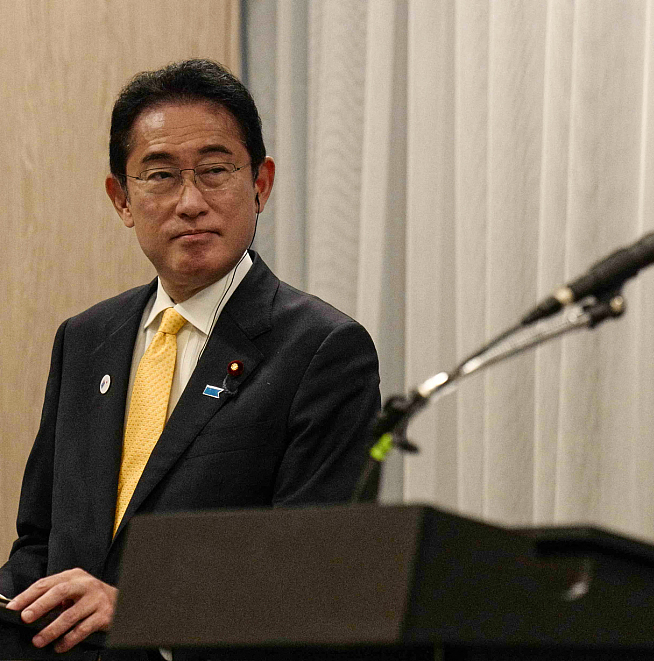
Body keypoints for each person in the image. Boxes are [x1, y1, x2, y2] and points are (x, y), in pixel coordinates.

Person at [0, 59, 381, 654]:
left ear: (261, 183)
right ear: (121, 198)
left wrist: (141, 612)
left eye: (215, 170)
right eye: (159, 175)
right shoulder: (84, 339)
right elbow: (39, 545)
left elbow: (317, 581)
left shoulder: (322, 350)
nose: (190, 201)